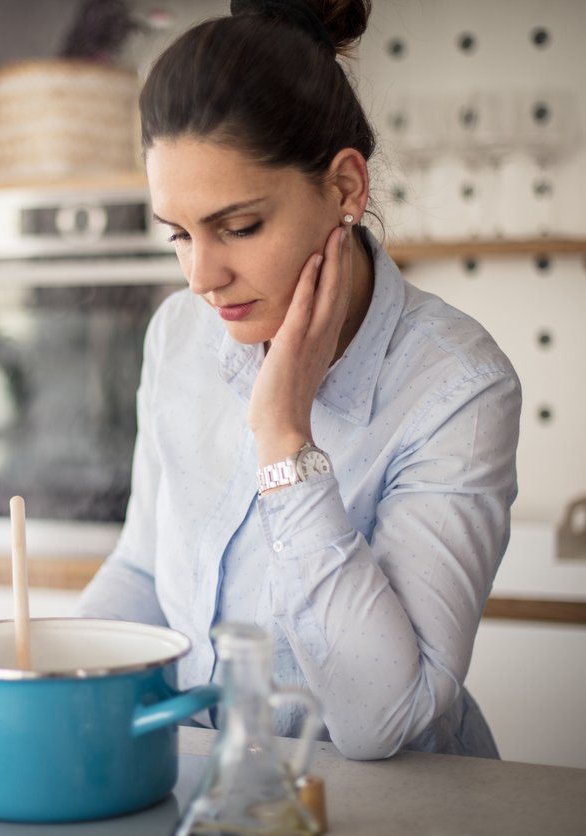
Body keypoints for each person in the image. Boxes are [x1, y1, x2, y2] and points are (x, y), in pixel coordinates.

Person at [76, 0, 521, 760]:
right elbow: (145, 570)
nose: (203, 277)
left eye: (239, 227)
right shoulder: (178, 337)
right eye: (179, 235)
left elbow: (385, 719)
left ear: (346, 189)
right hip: (214, 793)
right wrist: (57, 673)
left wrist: (284, 438)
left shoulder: (458, 389)